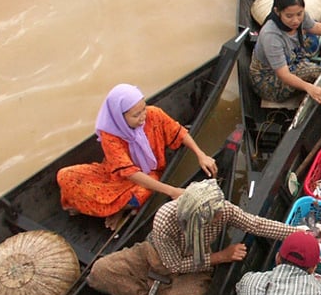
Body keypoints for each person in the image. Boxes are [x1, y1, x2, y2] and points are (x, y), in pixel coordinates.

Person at [86, 179, 298, 295]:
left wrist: (296, 234)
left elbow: (256, 224)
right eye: (213, 217)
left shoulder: (221, 209)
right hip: (153, 257)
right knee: (101, 270)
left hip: (195, 265)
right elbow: (174, 265)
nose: (220, 216)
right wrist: (221, 256)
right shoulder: (165, 220)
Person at [57, 83, 217, 230]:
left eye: (143, 109)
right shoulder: (110, 135)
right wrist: (173, 191)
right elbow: (130, 173)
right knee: (65, 176)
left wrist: (201, 154)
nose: (143, 117)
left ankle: (121, 209)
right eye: (136, 115)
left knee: (143, 192)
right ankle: (120, 209)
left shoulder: (154, 114)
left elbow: (179, 132)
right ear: (120, 117)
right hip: (116, 175)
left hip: (149, 174)